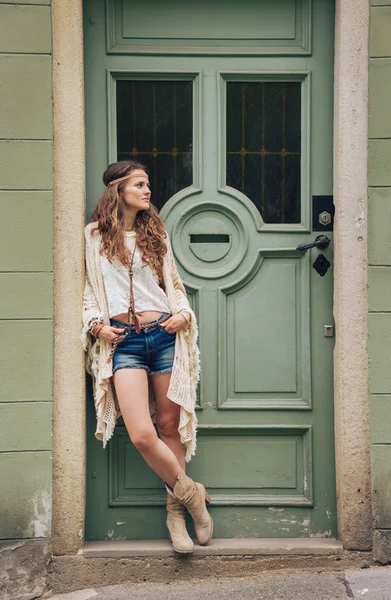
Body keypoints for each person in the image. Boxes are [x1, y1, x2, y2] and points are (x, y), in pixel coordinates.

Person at [81, 160, 213, 555]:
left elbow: (172, 284)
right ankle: (192, 497)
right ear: (118, 191)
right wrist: (96, 326)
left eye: (148, 184)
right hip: (124, 342)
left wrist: (183, 315)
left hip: (163, 335)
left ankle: (175, 518)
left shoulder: (155, 231)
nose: (148, 190)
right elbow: (89, 288)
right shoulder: (93, 236)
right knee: (142, 433)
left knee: (169, 427)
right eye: (140, 184)